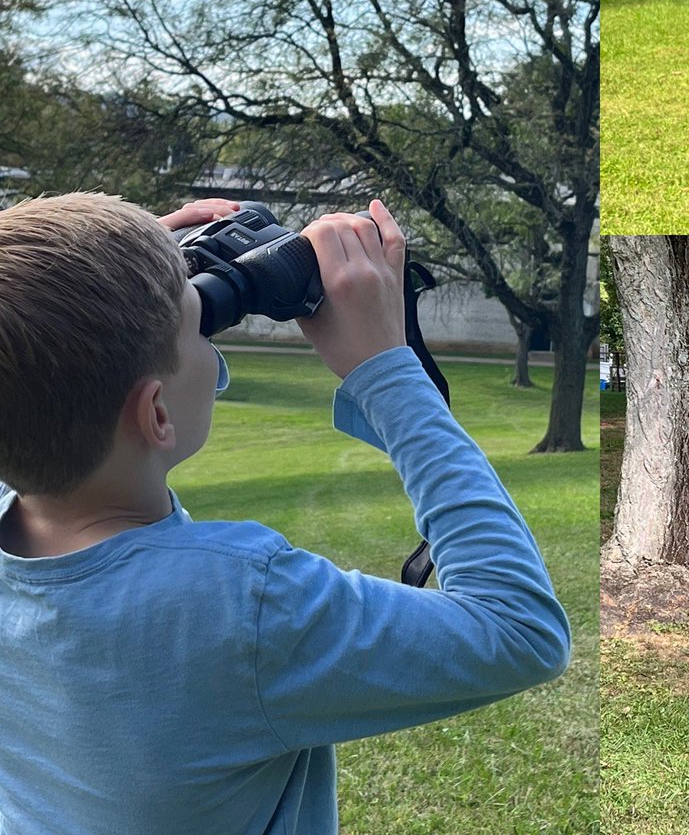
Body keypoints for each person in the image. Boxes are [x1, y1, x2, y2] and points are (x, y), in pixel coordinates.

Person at [0, 192, 570, 834]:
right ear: (157, 415)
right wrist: (386, 373)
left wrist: (102, 278)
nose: (213, 344)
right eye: (201, 324)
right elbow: (519, 628)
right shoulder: (241, 606)